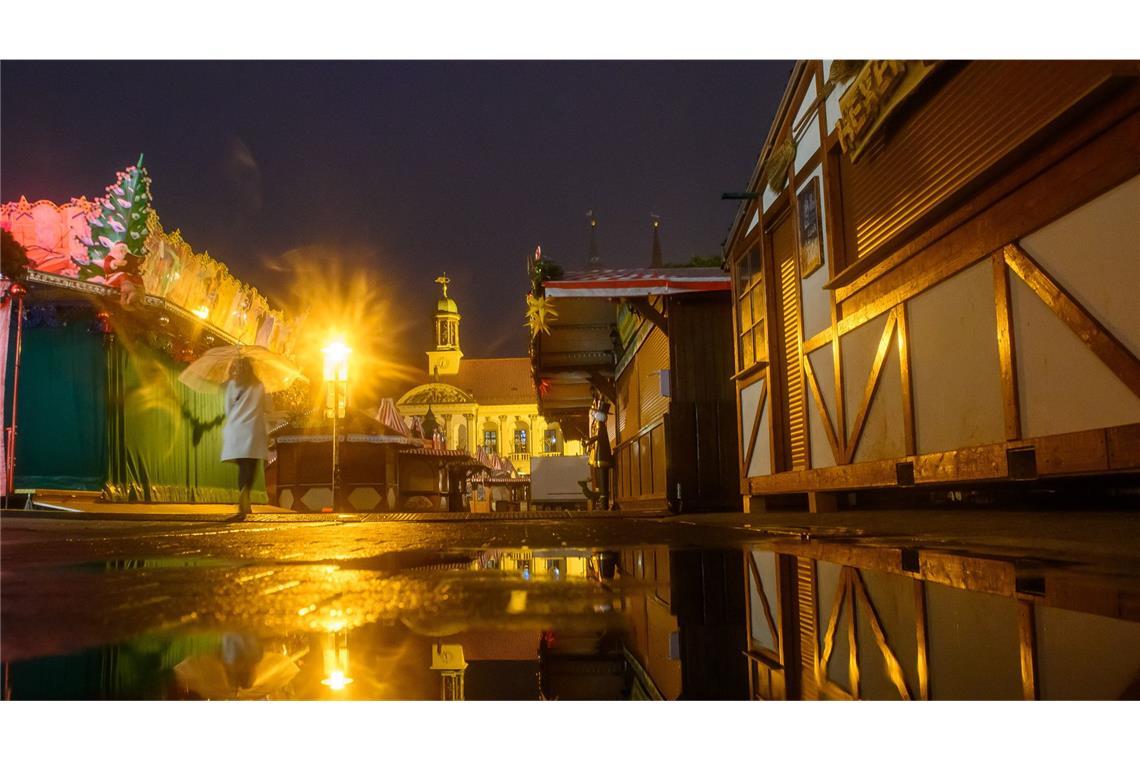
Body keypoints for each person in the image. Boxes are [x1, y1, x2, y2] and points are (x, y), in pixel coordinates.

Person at [221, 356, 269, 515]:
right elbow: (265, 406)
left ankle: (243, 492)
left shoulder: (232, 385)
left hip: (235, 429)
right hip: (253, 429)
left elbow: (228, 410)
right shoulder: (259, 385)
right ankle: (246, 492)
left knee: (243, 466)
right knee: (252, 464)